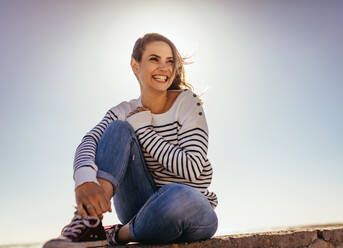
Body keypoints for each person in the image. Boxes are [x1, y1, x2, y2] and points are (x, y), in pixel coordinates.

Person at [43, 33, 218, 248]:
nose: (164, 68)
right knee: (118, 128)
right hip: (138, 205)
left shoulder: (187, 103)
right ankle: (91, 223)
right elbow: (90, 140)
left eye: (170, 61)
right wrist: (85, 180)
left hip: (190, 210)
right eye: (154, 59)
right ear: (136, 66)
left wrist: (143, 129)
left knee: (178, 196)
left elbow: (191, 169)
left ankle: (118, 235)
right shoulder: (124, 110)